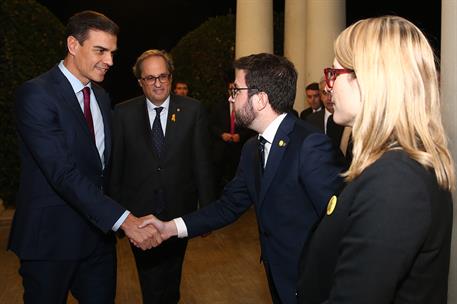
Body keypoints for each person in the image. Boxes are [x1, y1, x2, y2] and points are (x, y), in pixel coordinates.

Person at [143, 53, 346, 304]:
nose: (231, 97)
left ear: (260, 99)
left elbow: (339, 227)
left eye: (236, 90)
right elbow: (228, 206)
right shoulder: (252, 149)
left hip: (314, 287)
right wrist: (169, 228)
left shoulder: (310, 146)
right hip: (279, 279)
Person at [297, 15, 455, 304]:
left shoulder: (396, 180)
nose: (328, 88)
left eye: (334, 74)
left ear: (370, 78)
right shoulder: (394, 165)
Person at [8, 10, 160, 304]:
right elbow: (62, 173)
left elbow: (103, 169)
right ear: (73, 45)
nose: (110, 61)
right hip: (50, 243)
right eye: (100, 50)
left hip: (97, 240)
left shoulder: (101, 97)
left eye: (113, 52)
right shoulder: (36, 95)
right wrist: (124, 220)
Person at [108, 49, 215, 303]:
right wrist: (116, 217)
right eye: (150, 78)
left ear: (171, 77)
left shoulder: (193, 110)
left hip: (180, 213)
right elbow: (116, 167)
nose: (158, 84)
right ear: (140, 82)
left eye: (163, 76)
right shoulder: (122, 113)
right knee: (151, 283)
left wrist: (207, 215)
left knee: (172, 278)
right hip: (140, 218)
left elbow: (202, 163)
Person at [209, 81, 256, 194]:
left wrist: (240, 135)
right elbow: (210, 125)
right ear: (228, 90)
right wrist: (221, 134)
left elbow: (250, 126)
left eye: (236, 89)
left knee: (236, 177)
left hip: (238, 149)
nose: (233, 91)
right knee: (218, 178)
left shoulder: (245, 106)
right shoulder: (218, 106)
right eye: (231, 89)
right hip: (220, 149)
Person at [306, 79, 345, 147]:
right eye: (325, 93)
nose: (329, 98)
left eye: (332, 92)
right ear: (320, 96)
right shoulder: (311, 120)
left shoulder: (347, 119)